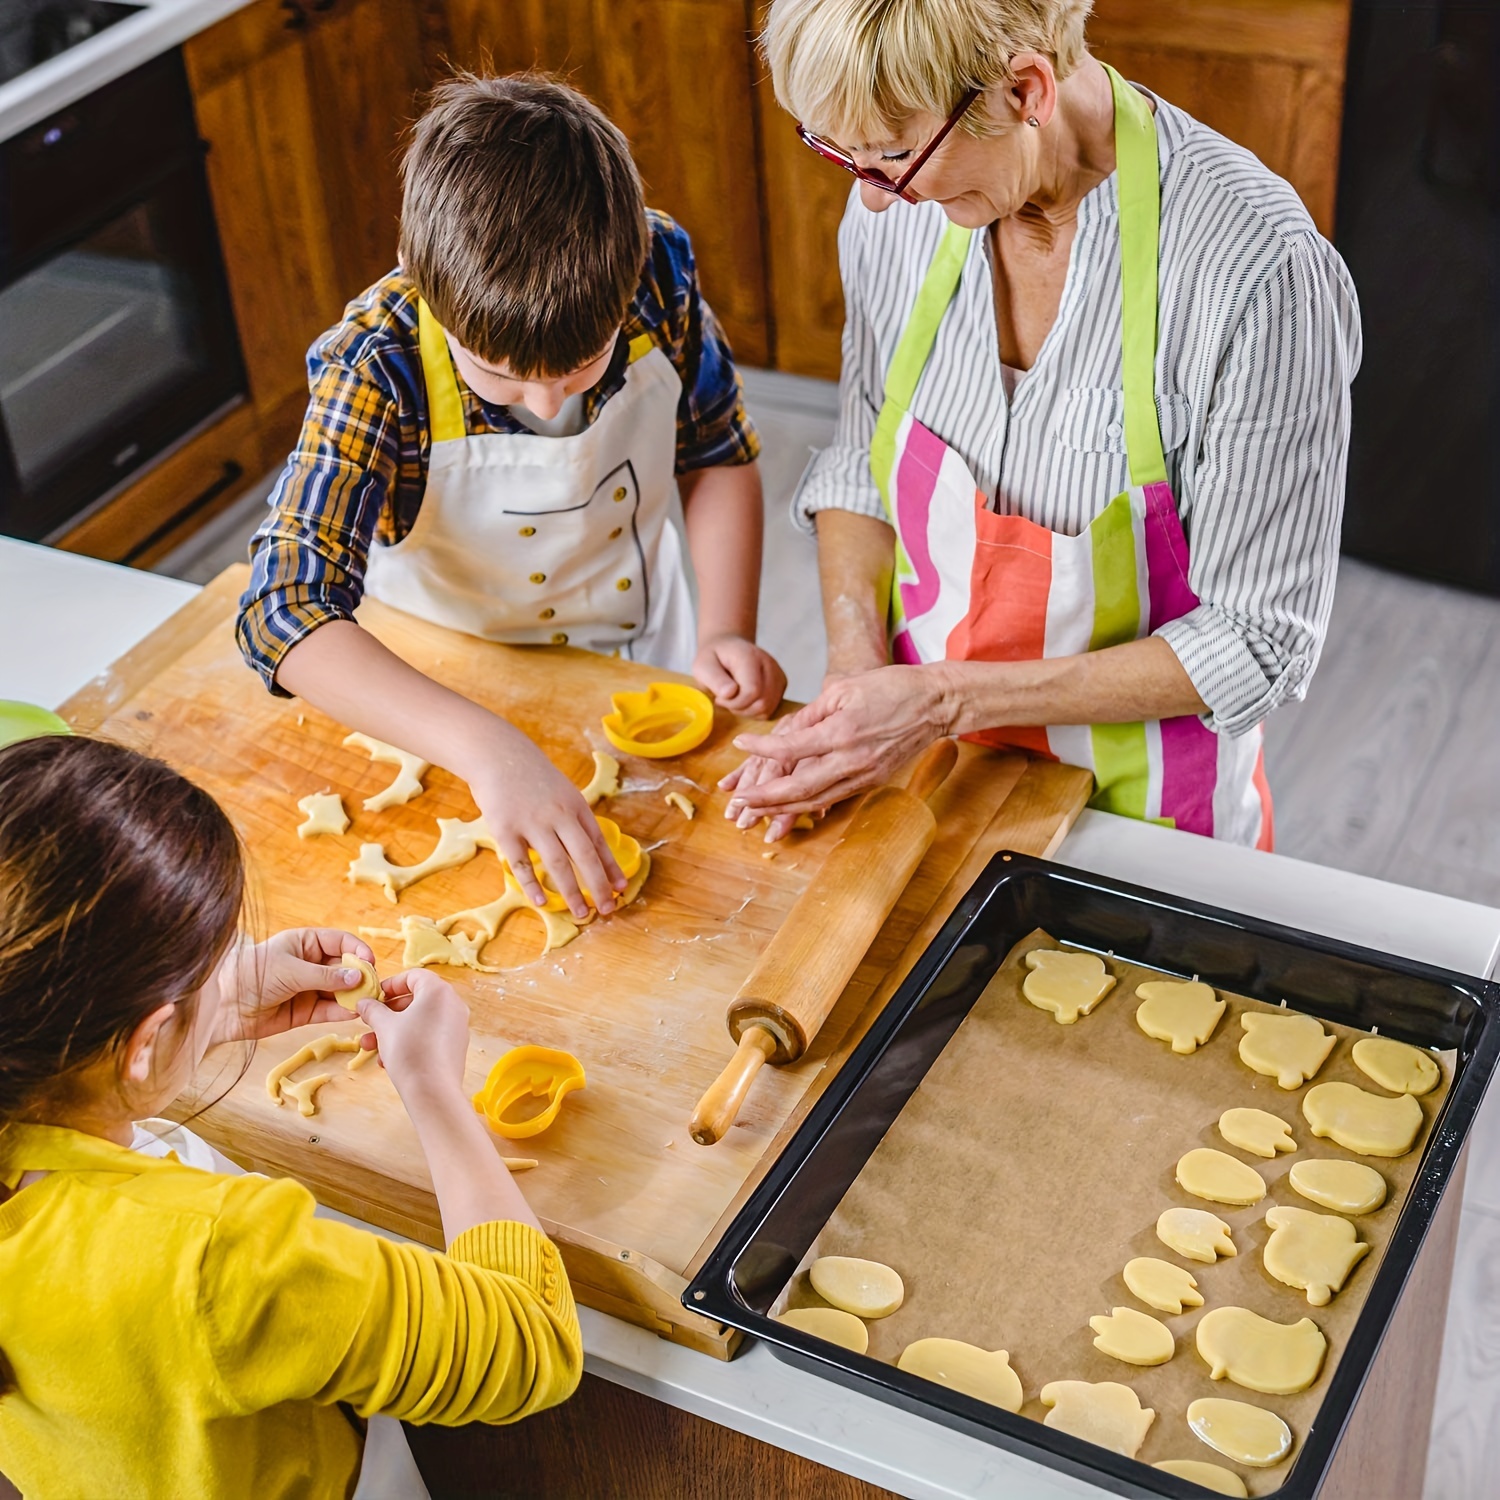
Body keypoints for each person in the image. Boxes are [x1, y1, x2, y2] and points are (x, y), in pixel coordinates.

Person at [724, 0, 1361, 847]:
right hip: (925, 770)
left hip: (1145, 815)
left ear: (1027, 90)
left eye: (891, 154)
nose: (873, 202)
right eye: (842, 151)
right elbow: (861, 460)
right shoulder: (900, 212)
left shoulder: (1256, 275)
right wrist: (857, 671)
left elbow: (1257, 641)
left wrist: (948, 697)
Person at [237, 73, 785, 919]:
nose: (547, 404)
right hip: (443, 694)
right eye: (499, 376)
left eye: (581, 366)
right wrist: (488, 749)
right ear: (429, 290)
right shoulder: (374, 365)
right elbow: (284, 609)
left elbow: (715, 450)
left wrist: (726, 628)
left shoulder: (656, 264)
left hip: (642, 653)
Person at [0, 735, 582, 1499]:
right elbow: (530, 1341)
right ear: (142, 1042)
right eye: (209, 964)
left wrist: (212, 1006)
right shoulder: (214, 1257)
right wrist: (433, 1087)